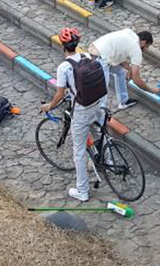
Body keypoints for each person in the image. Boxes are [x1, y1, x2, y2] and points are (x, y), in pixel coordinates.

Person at [41, 27, 106, 202]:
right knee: (98, 132)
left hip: (82, 109)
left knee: (78, 151)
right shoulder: (86, 56)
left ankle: (82, 191)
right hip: (98, 103)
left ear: (63, 46)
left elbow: (60, 94)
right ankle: (106, 160)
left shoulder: (64, 67)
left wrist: (50, 106)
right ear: (76, 45)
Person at [89, 29, 154, 111]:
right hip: (101, 59)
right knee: (102, 90)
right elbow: (136, 79)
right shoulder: (136, 49)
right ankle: (100, 117)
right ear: (144, 43)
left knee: (120, 72)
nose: (146, 49)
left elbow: (119, 54)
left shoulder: (129, 32)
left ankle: (123, 101)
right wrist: (151, 90)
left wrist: (129, 69)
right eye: (147, 46)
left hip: (94, 49)